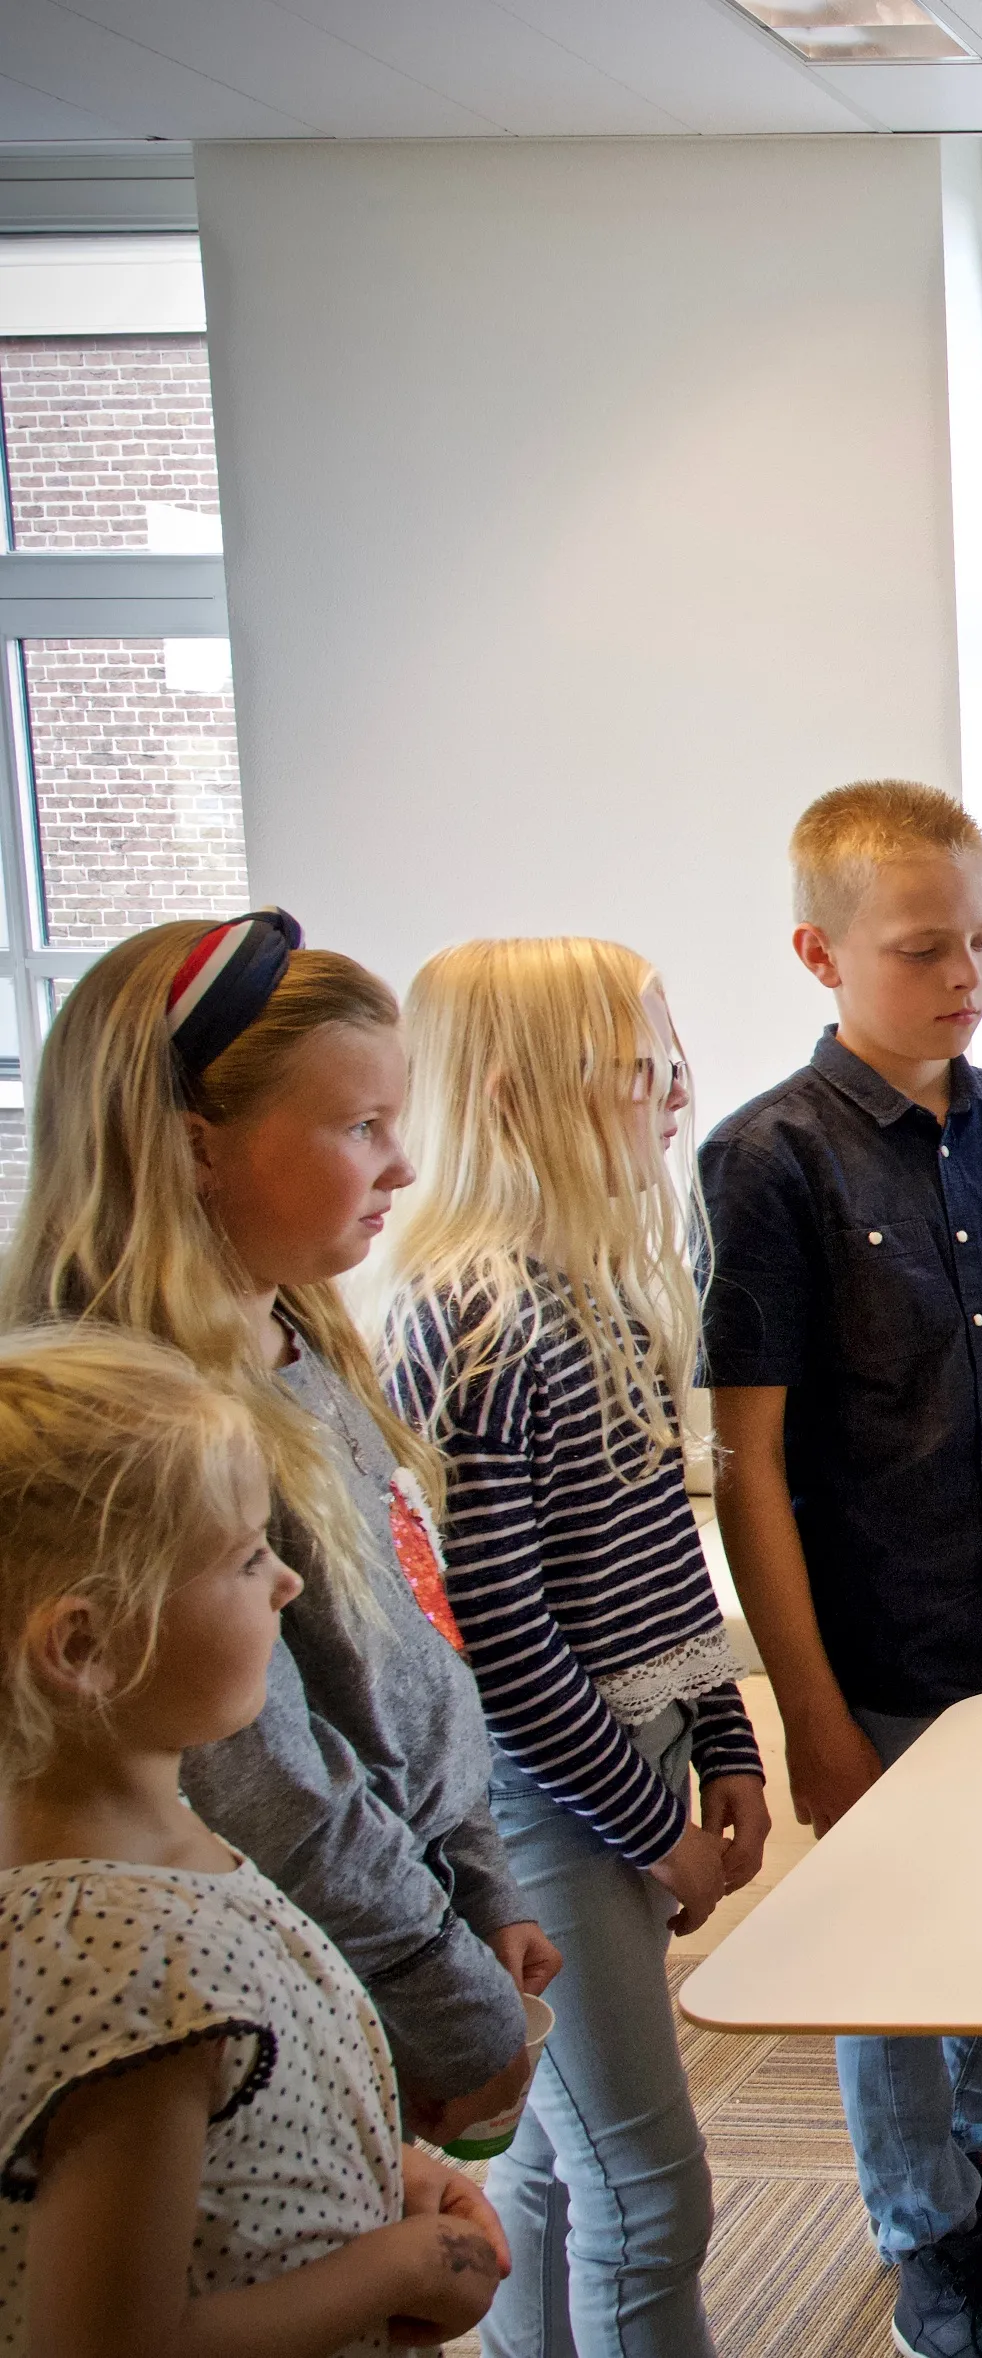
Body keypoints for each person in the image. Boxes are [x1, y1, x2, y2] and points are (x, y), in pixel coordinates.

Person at [699, 781, 982, 2358]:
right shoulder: (769, 1159)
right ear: (818, 952)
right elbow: (751, 1459)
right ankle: (922, 2241)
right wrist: (807, 1711)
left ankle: (964, 2175)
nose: (962, 975)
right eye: (919, 949)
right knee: (894, 1956)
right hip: (879, 1641)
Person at [2, 910, 557, 2152]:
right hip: (258, 1981)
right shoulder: (134, 1420)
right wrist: (448, 1989)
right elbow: (264, 1782)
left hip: (403, 1926)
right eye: (361, 1128)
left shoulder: (304, 1336)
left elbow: (417, 1641)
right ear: (195, 1147)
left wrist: (480, 1886)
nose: (403, 1167)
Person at [382, 938, 773, 2358]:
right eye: (637, 1074)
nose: (671, 1102)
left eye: (671, 1068)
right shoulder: (475, 1320)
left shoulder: (605, 1281)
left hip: (630, 1770)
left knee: (559, 2170)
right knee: (648, 2190)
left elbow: (659, 1568)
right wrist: (653, 1823)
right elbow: (505, 1644)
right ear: (512, 1096)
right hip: (550, 1800)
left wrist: (722, 1742)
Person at [0, 1328, 513, 2358]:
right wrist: (401, 2267)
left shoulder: (156, 1852)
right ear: (84, 1647)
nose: (286, 1585)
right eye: (246, 1558)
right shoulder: (137, 1965)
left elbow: (227, 2140)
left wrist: (389, 2172)